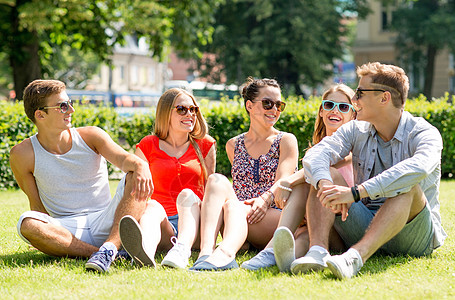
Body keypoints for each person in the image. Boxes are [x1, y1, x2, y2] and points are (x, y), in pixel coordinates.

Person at [299, 62, 446, 279]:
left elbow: (418, 167)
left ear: (384, 98)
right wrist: (325, 183)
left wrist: (355, 192)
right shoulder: (355, 129)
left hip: (413, 235)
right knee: (326, 173)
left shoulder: (424, 133)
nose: (354, 100)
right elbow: (316, 154)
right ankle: (318, 251)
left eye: (359, 93)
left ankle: (354, 258)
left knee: (407, 187)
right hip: (364, 224)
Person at [10, 79, 153, 273]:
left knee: (135, 175)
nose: (71, 110)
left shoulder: (92, 136)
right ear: (40, 115)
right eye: (62, 106)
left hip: (107, 221)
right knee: (26, 223)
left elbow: (125, 160)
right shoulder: (22, 154)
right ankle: (102, 253)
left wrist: (140, 165)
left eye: (70, 103)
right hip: (67, 229)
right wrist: (45, 236)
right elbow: (36, 206)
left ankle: (110, 247)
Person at [241, 84, 356, 272]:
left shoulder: (353, 148)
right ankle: (284, 260)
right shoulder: (315, 150)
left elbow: (323, 166)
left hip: (345, 227)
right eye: (329, 105)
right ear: (321, 111)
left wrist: (287, 182)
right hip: (321, 226)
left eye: (343, 107)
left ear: (353, 115)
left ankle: (270, 251)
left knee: (305, 182)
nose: (335, 110)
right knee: (305, 232)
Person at [190, 77, 299, 271]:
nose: (274, 109)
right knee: (216, 180)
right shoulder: (234, 145)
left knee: (233, 206)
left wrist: (263, 200)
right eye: (267, 103)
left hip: (275, 215)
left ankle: (227, 255)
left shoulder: (286, 140)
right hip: (239, 214)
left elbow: (283, 180)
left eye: (279, 105)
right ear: (249, 105)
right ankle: (205, 253)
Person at [118, 88, 216, 269]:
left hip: (196, 223)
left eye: (193, 109)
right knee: (153, 206)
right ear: (165, 113)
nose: (189, 114)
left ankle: (182, 251)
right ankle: (143, 254)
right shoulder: (148, 145)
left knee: (187, 194)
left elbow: (211, 191)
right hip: (163, 226)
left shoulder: (205, 144)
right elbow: (136, 188)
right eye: (182, 109)